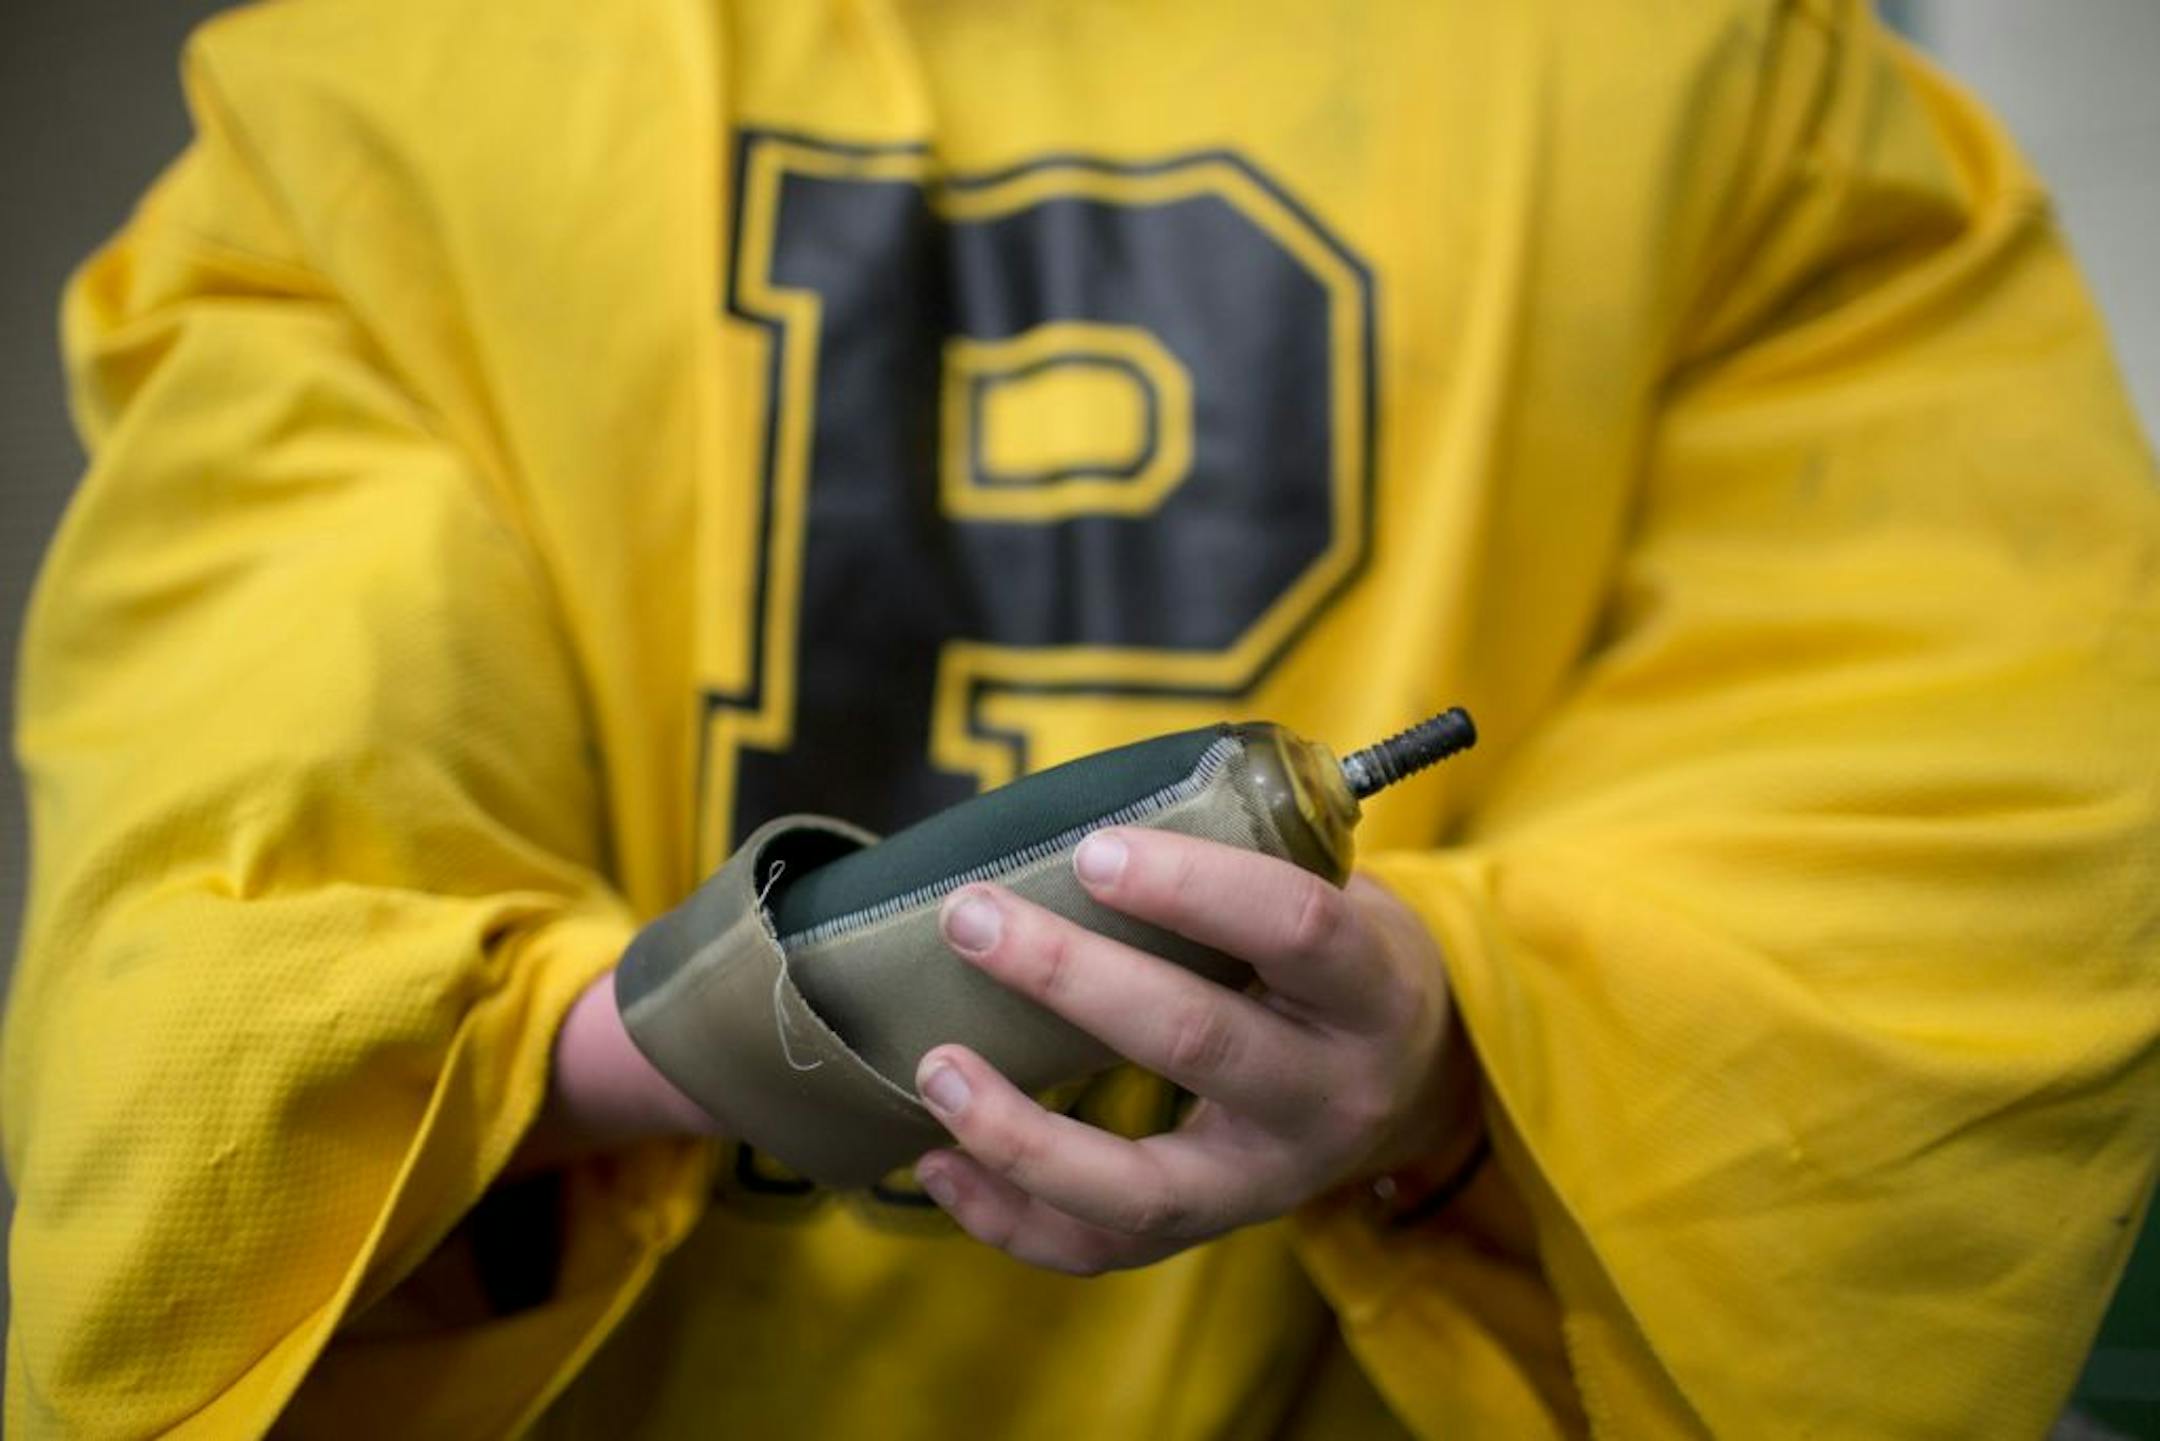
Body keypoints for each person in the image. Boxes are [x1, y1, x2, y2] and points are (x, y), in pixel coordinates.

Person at [8, 0, 2157, 1434]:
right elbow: (225, 922)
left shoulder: (1722, 80)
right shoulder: (385, 97)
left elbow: (1969, 798)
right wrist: (747, 1039)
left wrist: (1444, 1056)